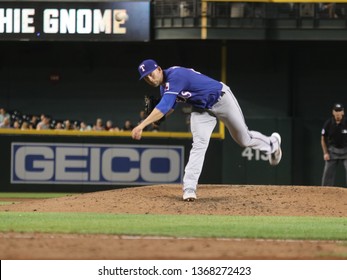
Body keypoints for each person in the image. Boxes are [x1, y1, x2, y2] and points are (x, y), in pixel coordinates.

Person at [132, 59, 282, 201]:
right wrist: (158, 119)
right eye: (146, 78)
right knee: (199, 144)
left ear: (158, 69)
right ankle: (189, 188)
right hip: (201, 109)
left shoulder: (175, 76)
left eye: (151, 74)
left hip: (221, 99)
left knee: (244, 140)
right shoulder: (163, 87)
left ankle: (272, 143)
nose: (150, 79)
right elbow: (169, 108)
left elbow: (164, 107)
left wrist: (141, 125)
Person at [321, 103, 347, 186]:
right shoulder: (328, 123)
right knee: (327, 174)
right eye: (336, 111)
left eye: (340, 111)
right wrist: (325, 153)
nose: (338, 113)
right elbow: (323, 139)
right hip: (332, 151)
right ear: (333, 112)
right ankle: (325, 193)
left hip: (346, 151)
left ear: (343, 112)